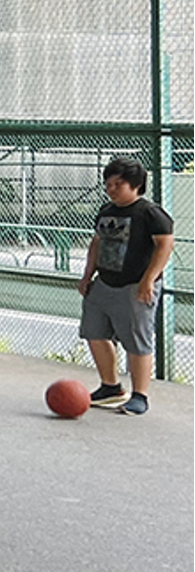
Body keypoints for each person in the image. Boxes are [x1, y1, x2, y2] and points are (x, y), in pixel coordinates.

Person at [77, 157, 175, 416]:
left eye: (118, 184)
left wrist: (148, 280)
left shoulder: (149, 213)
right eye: (108, 183)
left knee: (137, 340)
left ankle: (139, 395)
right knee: (94, 332)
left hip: (135, 285)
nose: (111, 189)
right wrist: (88, 275)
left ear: (135, 185)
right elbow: (97, 243)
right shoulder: (106, 211)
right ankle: (110, 386)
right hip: (104, 282)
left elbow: (165, 246)